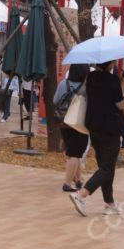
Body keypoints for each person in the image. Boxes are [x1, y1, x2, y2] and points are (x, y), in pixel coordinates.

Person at [69, 60, 124, 217]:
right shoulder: (113, 80)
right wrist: (122, 87)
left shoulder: (90, 77)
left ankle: (110, 203)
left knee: (105, 167)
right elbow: (120, 104)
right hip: (110, 127)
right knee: (107, 168)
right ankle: (81, 195)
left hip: (94, 126)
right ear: (110, 63)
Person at [54, 64, 90, 193]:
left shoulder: (63, 83)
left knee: (74, 152)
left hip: (64, 122)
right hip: (79, 124)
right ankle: (67, 184)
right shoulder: (86, 87)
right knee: (75, 154)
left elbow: (55, 100)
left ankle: (78, 179)